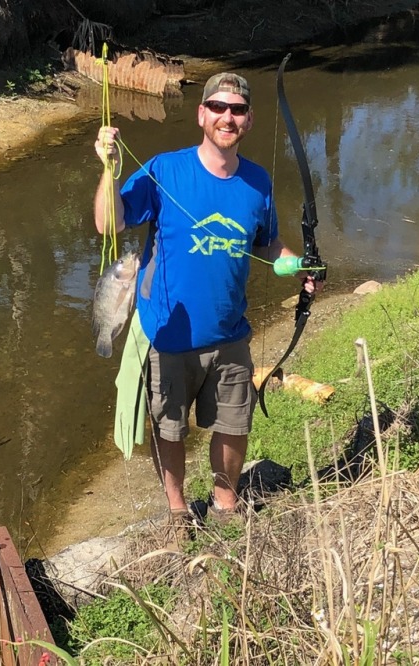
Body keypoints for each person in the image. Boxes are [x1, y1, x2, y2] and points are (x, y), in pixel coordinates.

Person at [94, 72, 320, 527]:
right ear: (201, 114)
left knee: (235, 426)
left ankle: (224, 506)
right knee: (169, 428)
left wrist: (300, 267)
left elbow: (267, 246)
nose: (227, 116)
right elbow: (108, 224)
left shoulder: (257, 182)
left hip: (230, 333)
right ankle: (177, 510)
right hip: (169, 333)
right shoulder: (164, 169)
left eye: (236, 110)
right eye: (217, 107)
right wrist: (107, 168)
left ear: (249, 120)